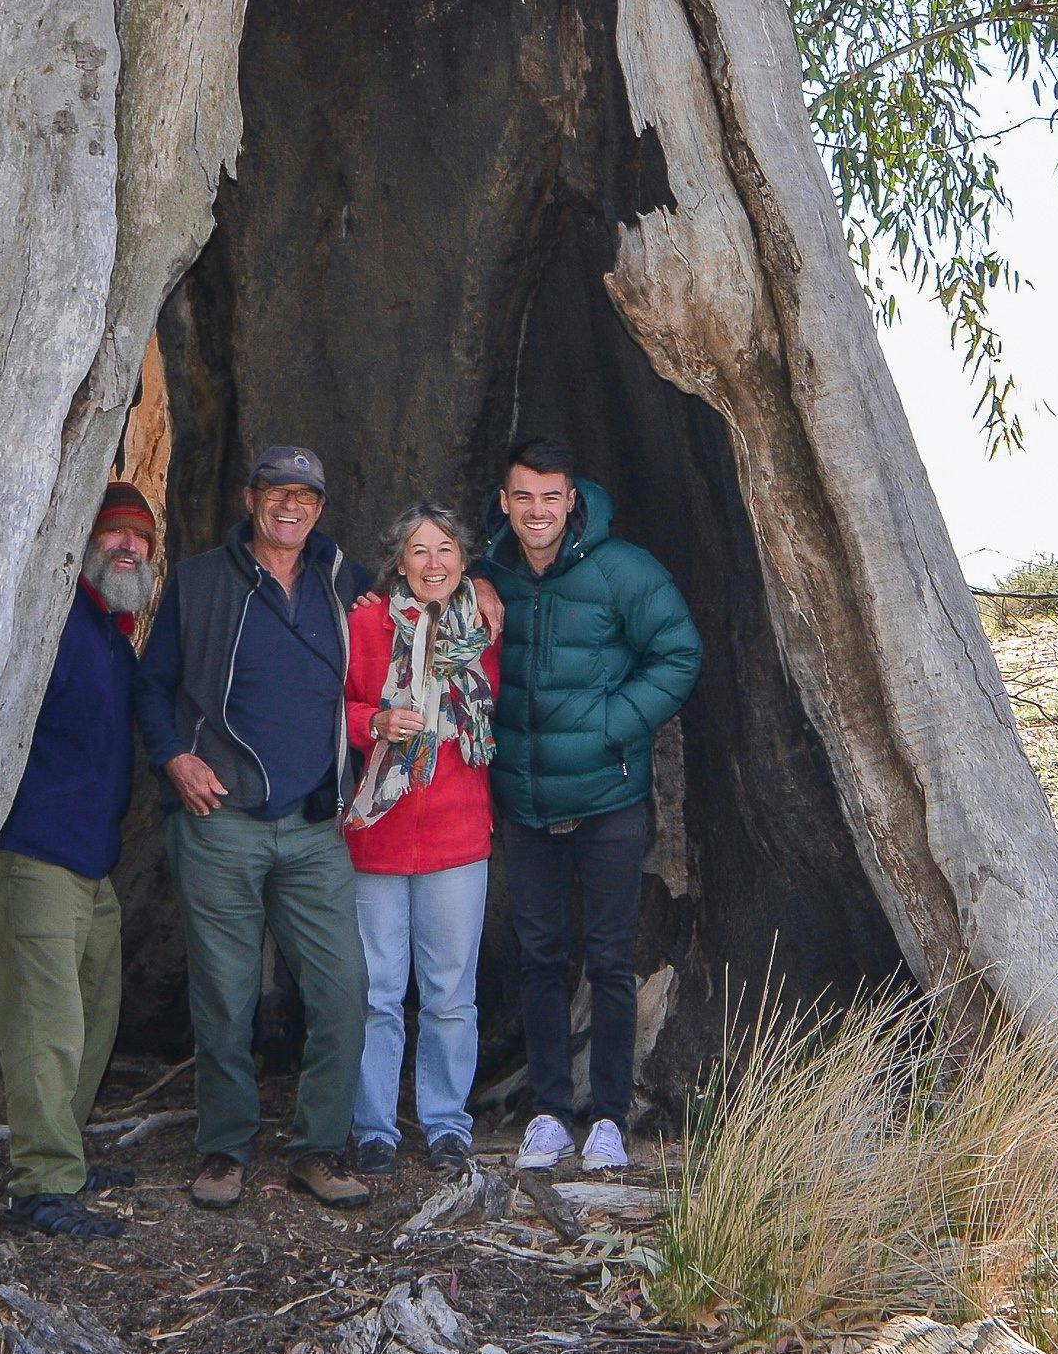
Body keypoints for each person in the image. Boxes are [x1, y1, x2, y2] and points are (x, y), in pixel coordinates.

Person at [133, 446, 380, 1211]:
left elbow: (427, 603)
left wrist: (483, 593)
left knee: (344, 990)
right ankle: (224, 1148)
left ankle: (318, 1147)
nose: (291, 506)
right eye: (278, 491)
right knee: (225, 995)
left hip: (314, 827)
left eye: (306, 495)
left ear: (320, 507)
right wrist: (174, 757)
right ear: (252, 497)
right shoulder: (203, 581)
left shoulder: (347, 584)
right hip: (221, 822)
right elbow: (152, 683)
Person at [479, 437, 700, 1176]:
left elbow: (679, 652)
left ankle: (608, 1116)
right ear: (505, 502)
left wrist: (610, 725)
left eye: (551, 496)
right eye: (523, 497)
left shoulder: (622, 569)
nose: (537, 511)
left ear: (572, 499)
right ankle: (548, 1111)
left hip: (609, 799)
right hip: (526, 800)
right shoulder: (491, 573)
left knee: (609, 961)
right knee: (539, 957)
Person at [0, 483, 160, 1240]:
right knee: (44, 1023)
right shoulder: (51, 622)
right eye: (113, 535)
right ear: (84, 544)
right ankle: (39, 1185)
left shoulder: (113, 637)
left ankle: (65, 1156)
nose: (127, 547)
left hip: (92, 862)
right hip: (33, 855)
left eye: (139, 539)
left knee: (95, 1008)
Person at [341, 501, 499, 1178]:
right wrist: (374, 721)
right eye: (419, 551)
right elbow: (332, 702)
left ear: (465, 560)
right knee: (376, 990)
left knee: (450, 992)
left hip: (459, 832)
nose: (433, 563)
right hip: (377, 831)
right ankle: (373, 1126)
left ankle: (445, 1124)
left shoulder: (487, 625)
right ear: (398, 562)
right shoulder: (365, 622)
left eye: (445, 550)